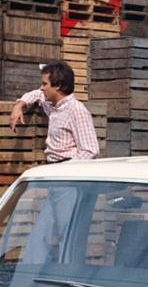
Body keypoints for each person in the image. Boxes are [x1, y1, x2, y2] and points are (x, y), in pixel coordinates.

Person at [9, 61, 99, 264]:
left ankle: (69, 282)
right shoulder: (54, 106)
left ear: (58, 86)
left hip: (70, 180)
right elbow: (36, 95)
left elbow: (91, 150)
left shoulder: (77, 111)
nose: (41, 88)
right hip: (57, 179)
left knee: (69, 236)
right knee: (40, 236)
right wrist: (19, 105)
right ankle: (30, 281)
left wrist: (66, 170)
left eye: (45, 83)